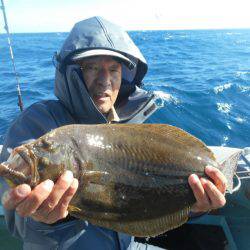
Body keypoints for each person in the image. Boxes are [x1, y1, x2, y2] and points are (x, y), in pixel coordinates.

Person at [0, 16, 227, 249]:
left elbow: (146, 204)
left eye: (114, 69)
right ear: (71, 74)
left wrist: (194, 206)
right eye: (92, 67)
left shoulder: (129, 125)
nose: (104, 81)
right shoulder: (37, 123)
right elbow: (16, 216)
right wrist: (43, 220)